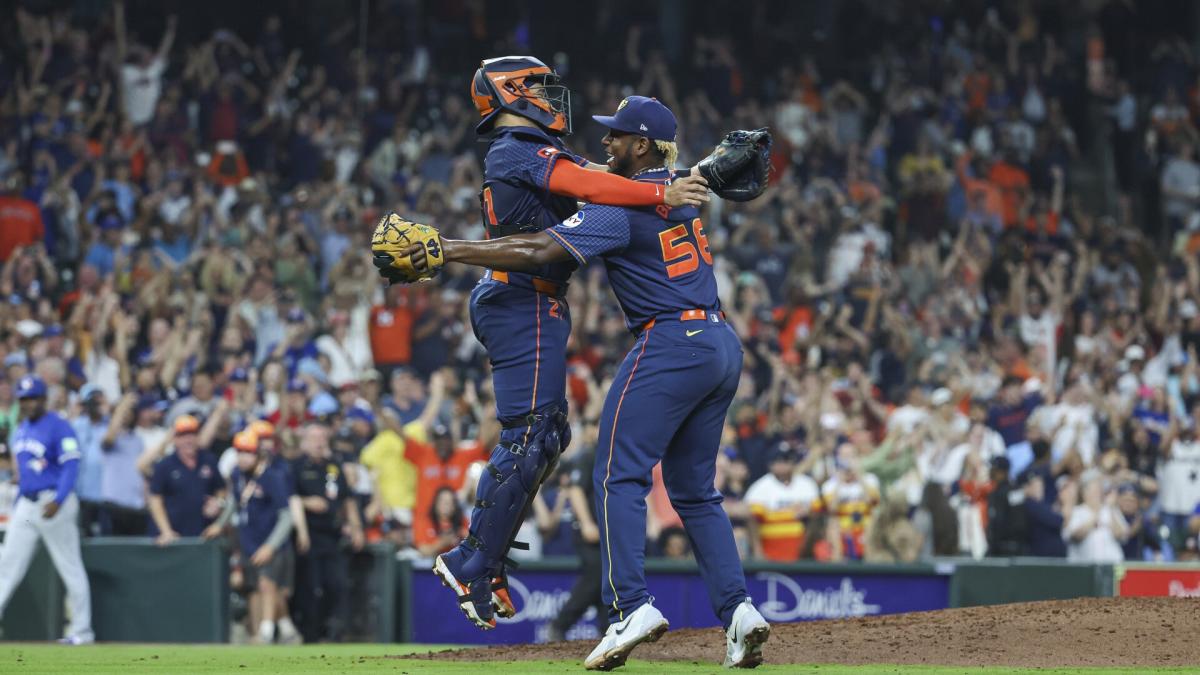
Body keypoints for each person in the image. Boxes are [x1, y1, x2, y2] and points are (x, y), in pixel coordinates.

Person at [397, 96, 770, 669]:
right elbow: (653, 181)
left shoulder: (614, 210)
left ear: (641, 145)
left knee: (614, 474)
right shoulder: (679, 189)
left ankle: (630, 607)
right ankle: (740, 612)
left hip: (670, 341)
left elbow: (543, 248)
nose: (606, 143)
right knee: (695, 491)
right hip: (721, 343)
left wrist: (446, 250)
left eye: (618, 136)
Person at [427, 56, 710, 630]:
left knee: (549, 434)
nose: (554, 97)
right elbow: (589, 185)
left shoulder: (531, 148)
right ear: (514, 93)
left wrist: (685, 180)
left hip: (527, 300)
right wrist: (662, 194)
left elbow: (603, 182)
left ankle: (486, 560)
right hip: (519, 298)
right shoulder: (515, 149)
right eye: (540, 87)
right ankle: (471, 560)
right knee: (531, 432)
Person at [0, 376, 93, 644]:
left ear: (43, 399)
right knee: (7, 567)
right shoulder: (21, 430)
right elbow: (25, 474)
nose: (28, 404)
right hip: (27, 504)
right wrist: (19, 503)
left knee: (69, 567)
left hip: (54, 501)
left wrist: (60, 499)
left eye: (32, 398)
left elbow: (71, 465)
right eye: (23, 399)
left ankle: (82, 632)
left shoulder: (59, 426)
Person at [210, 429, 300, 645]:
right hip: (249, 540)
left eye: (248, 452)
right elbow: (234, 502)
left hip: (272, 541)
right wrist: (219, 524)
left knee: (267, 585)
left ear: (257, 454)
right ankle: (286, 630)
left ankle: (266, 632)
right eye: (239, 452)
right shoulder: (236, 475)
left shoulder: (272, 477)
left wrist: (270, 546)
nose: (243, 457)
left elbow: (286, 517)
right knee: (257, 588)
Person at [291, 423, 364, 643]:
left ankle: (332, 632)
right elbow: (288, 498)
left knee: (336, 584)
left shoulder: (333, 466)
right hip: (308, 535)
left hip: (332, 535)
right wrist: (307, 502)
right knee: (310, 587)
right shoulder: (296, 466)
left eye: (322, 438)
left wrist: (357, 527)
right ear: (305, 441)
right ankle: (309, 634)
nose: (319, 443)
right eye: (314, 438)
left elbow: (348, 499)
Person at [145, 414, 226, 544]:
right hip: (172, 537)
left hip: (202, 535)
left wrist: (218, 502)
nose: (188, 440)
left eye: (193, 434)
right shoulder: (164, 465)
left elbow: (220, 488)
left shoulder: (208, 460)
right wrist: (166, 531)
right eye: (183, 435)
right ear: (175, 439)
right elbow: (155, 500)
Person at [743, 444, 820, 562]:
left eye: (787, 460)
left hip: (803, 550)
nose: (783, 464)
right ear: (771, 464)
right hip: (770, 550)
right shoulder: (760, 487)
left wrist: (808, 512)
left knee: (816, 519)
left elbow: (818, 515)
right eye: (779, 461)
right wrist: (758, 552)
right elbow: (752, 522)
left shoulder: (807, 484)